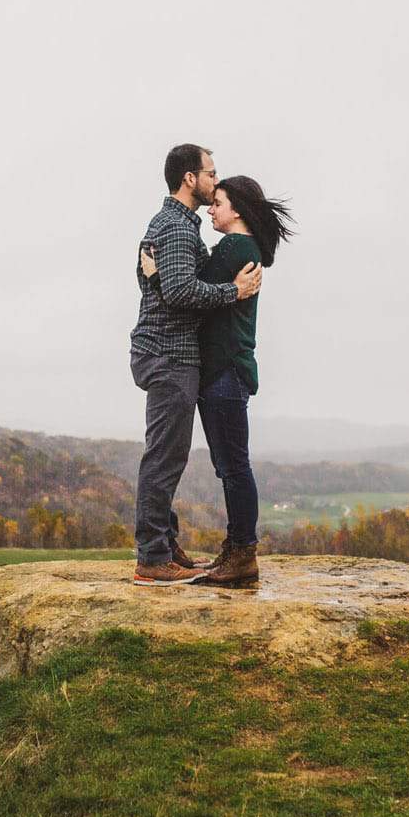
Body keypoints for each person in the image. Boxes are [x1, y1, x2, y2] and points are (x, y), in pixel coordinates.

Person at [141, 175, 294, 586]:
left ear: (237, 210)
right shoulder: (238, 248)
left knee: (233, 467)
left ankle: (242, 553)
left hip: (225, 371)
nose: (212, 208)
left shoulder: (234, 247)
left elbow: (189, 294)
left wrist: (158, 278)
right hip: (226, 371)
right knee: (230, 466)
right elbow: (206, 292)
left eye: (219, 202)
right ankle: (236, 549)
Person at [129, 144, 262, 587]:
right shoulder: (176, 227)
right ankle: (152, 556)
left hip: (170, 353)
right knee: (164, 459)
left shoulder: (175, 226)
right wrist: (234, 293)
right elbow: (185, 292)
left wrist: (154, 277)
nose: (214, 180)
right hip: (169, 355)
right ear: (190, 178)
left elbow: (165, 279)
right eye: (210, 173)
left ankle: (162, 545)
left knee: (167, 456)